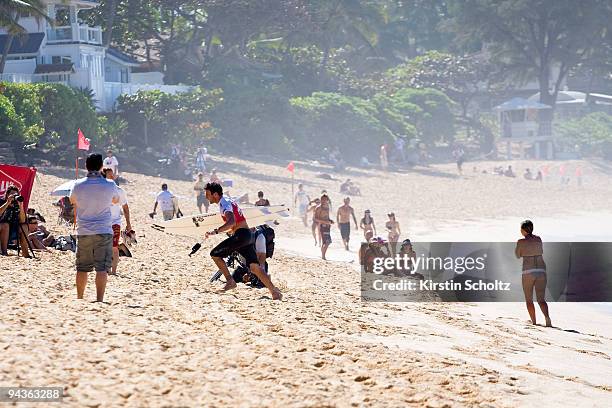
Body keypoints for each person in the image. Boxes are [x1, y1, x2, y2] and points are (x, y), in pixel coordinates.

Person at [204, 182, 282, 300]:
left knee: (215, 254)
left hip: (241, 236)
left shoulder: (224, 204)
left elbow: (232, 222)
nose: (206, 196)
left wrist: (216, 231)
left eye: (208, 194)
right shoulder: (228, 200)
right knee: (254, 267)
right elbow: (236, 221)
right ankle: (274, 291)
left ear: (215, 194)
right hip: (247, 235)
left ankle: (230, 281)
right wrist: (231, 230)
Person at [70, 153, 119, 302]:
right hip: (103, 229)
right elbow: (116, 200)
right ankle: (99, 299)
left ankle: (80, 297)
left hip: (84, 230)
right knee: (102, 268)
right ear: (101, 167)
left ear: (86, 166)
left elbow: (72, 200)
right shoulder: (110, 185)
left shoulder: (78, 185)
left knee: (82, 267)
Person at [515, 220, 552, 327]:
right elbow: (540, 251)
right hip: (541, 270)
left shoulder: (521, 242)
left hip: (528, 271)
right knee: (541, 299)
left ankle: (534, 322)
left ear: (523, 230)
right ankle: (547, 318)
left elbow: (518, 255)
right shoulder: (538, 239)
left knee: (529, 299)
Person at [103, 168, 133, 275]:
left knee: (114, 247)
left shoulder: (120, 191)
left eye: (112, 175)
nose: (111, 177)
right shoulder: (101, 190)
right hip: (103, 222)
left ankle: (113, 271)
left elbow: (125, 207)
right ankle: (107, 268)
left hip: (115, 222)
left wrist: (128, 224)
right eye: (108, 175)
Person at [0, 186, 28, 257]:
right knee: (5, 225)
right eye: (12, 194)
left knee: (24, 226)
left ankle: (25, 253)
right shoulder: (1, 202)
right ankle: (4, 252)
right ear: (7, 195)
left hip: (12, 229)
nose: (14, 197)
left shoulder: (17, 205)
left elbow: (22, 220)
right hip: (2, 227)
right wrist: (7, 203)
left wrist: (21, 206)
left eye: (16, 195)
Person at [314, 195, 334, 260]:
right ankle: (323, 256)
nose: (325, 201)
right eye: (324, 199)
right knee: (327, 241)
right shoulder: (318, 208)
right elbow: (315, 218)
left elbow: (327, 217)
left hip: (328, 226)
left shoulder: (327, 207)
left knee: (325, 242)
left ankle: (323, 256)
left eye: (326, 199)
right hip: (322, 226)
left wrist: (330, 220)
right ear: (321, 199)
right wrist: (325, 222)